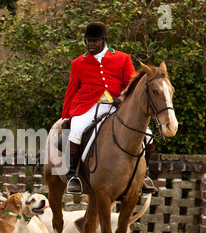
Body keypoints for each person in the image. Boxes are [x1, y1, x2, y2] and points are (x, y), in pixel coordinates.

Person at [62, 21, 157, 194]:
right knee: (76, 131)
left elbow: (131, 85)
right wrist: (66, 116)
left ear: (104, 40)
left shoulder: (122, 58)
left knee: (148, 135)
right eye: (88, 40)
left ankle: (144, 175)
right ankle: (73, 176)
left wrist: (121, 98)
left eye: (95, 41)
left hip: (117, 105)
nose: (90, 44)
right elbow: (71, 91)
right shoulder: (78, 63)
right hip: (88, 105)